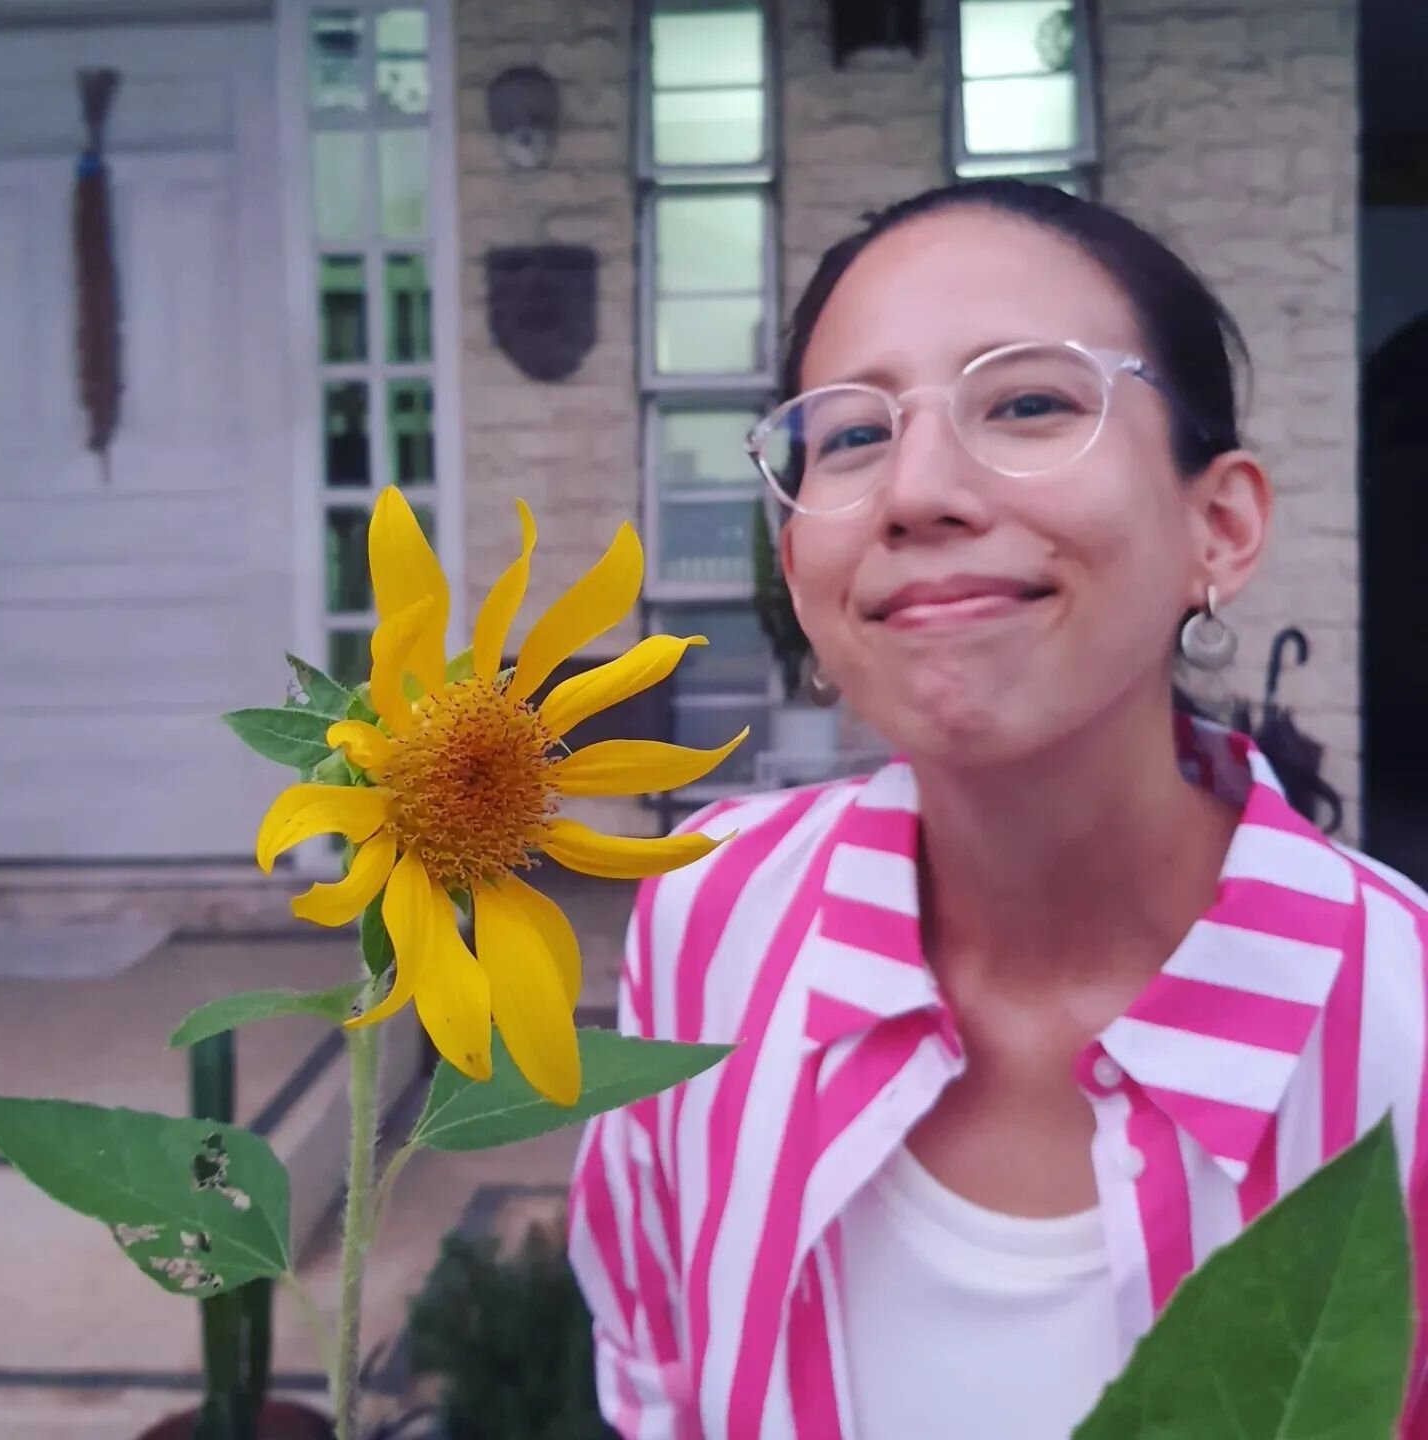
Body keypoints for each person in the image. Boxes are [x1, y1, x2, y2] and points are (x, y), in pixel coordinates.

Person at [566, 180, 1428, 1440]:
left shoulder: (1406, 1025)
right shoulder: (707, 919)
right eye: (850, 435)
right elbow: (656, 1384)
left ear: (1221, 525)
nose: (917, 489)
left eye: (1029, 402)